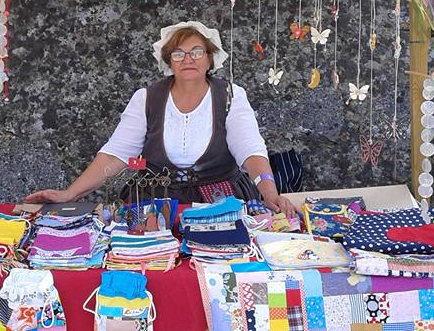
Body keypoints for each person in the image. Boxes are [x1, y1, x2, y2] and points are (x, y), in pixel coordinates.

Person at [26, 21, 298, 217]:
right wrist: (70, 194)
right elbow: (115, 156)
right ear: (169, 61)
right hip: (155, 203)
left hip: (222, 201)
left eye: (196, 52)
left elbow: (250, 152)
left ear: (210, 59)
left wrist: (269, 192)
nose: (187, 59)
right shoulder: (146, 98)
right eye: (178, 53)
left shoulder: (231, 96)